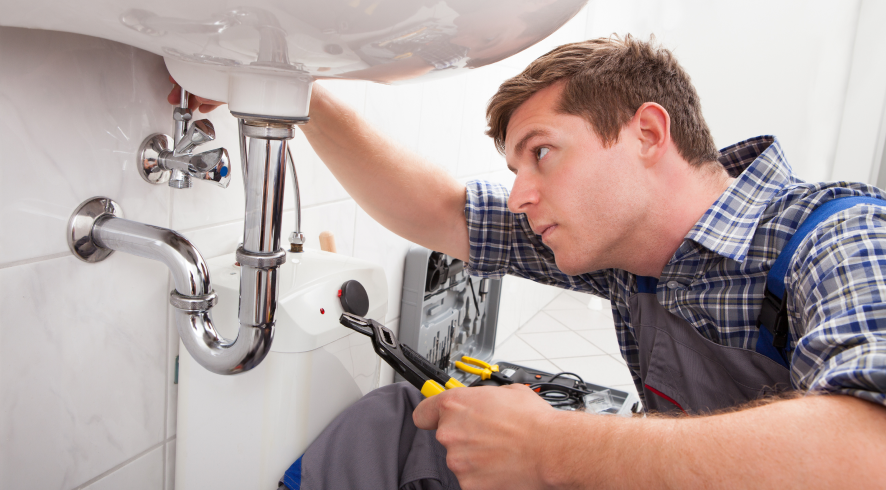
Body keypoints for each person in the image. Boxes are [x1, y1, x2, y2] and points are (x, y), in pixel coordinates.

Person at [171, 35, 886, 489]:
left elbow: (867, 455)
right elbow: (444, 211)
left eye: (541, 153)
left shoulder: (840, 236)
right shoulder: (625, 258)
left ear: (646, 132)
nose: (519, 194)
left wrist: (556, 449)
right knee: (402, 428)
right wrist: (285, 90)